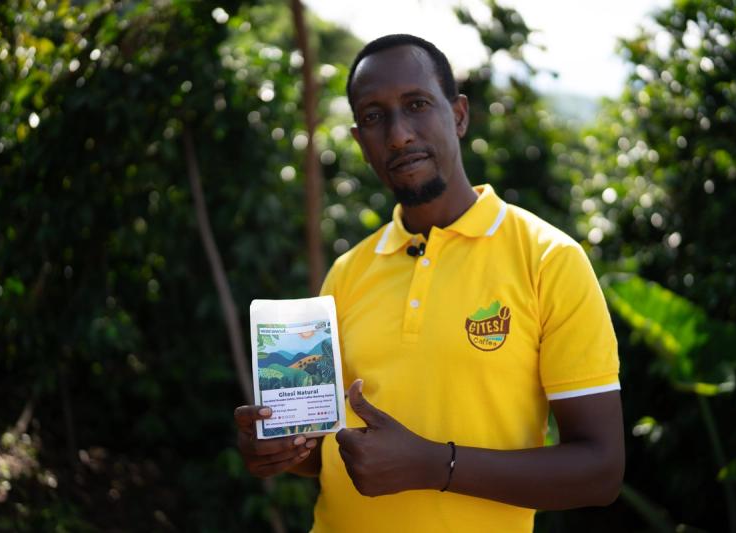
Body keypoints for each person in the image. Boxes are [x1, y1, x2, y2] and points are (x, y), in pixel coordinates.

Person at [235, 34, 624, 532]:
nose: (398, 135)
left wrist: (435, 465)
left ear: (459, 115)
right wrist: (280, 450)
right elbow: (324, 453)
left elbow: (601, 470)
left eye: (417, 105)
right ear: (359, 140)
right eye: (374, 117)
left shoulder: (548, 259)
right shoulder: (348, 272)